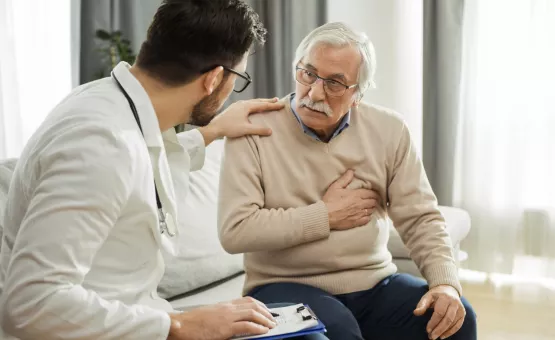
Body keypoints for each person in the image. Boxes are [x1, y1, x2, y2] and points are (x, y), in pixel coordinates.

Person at [0, 1, 327, 339]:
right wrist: (181, 325)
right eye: (238, 78)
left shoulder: (108, 106)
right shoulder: (100, 144)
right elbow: (31, 303)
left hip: (141, 317)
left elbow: (137, 167)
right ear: (214, 78)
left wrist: (211, 132)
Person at [217, 22, 477, 340]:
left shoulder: (389, 130)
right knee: (337, 330)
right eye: (307, 74)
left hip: (374, 283)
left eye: (335, 83)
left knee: (456, 319)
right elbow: (235, 230)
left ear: (358, 94)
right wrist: (325, 215)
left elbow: (420, 217)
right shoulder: (253, 129)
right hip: (280, 287)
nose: (314, 92)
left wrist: (445, 284)